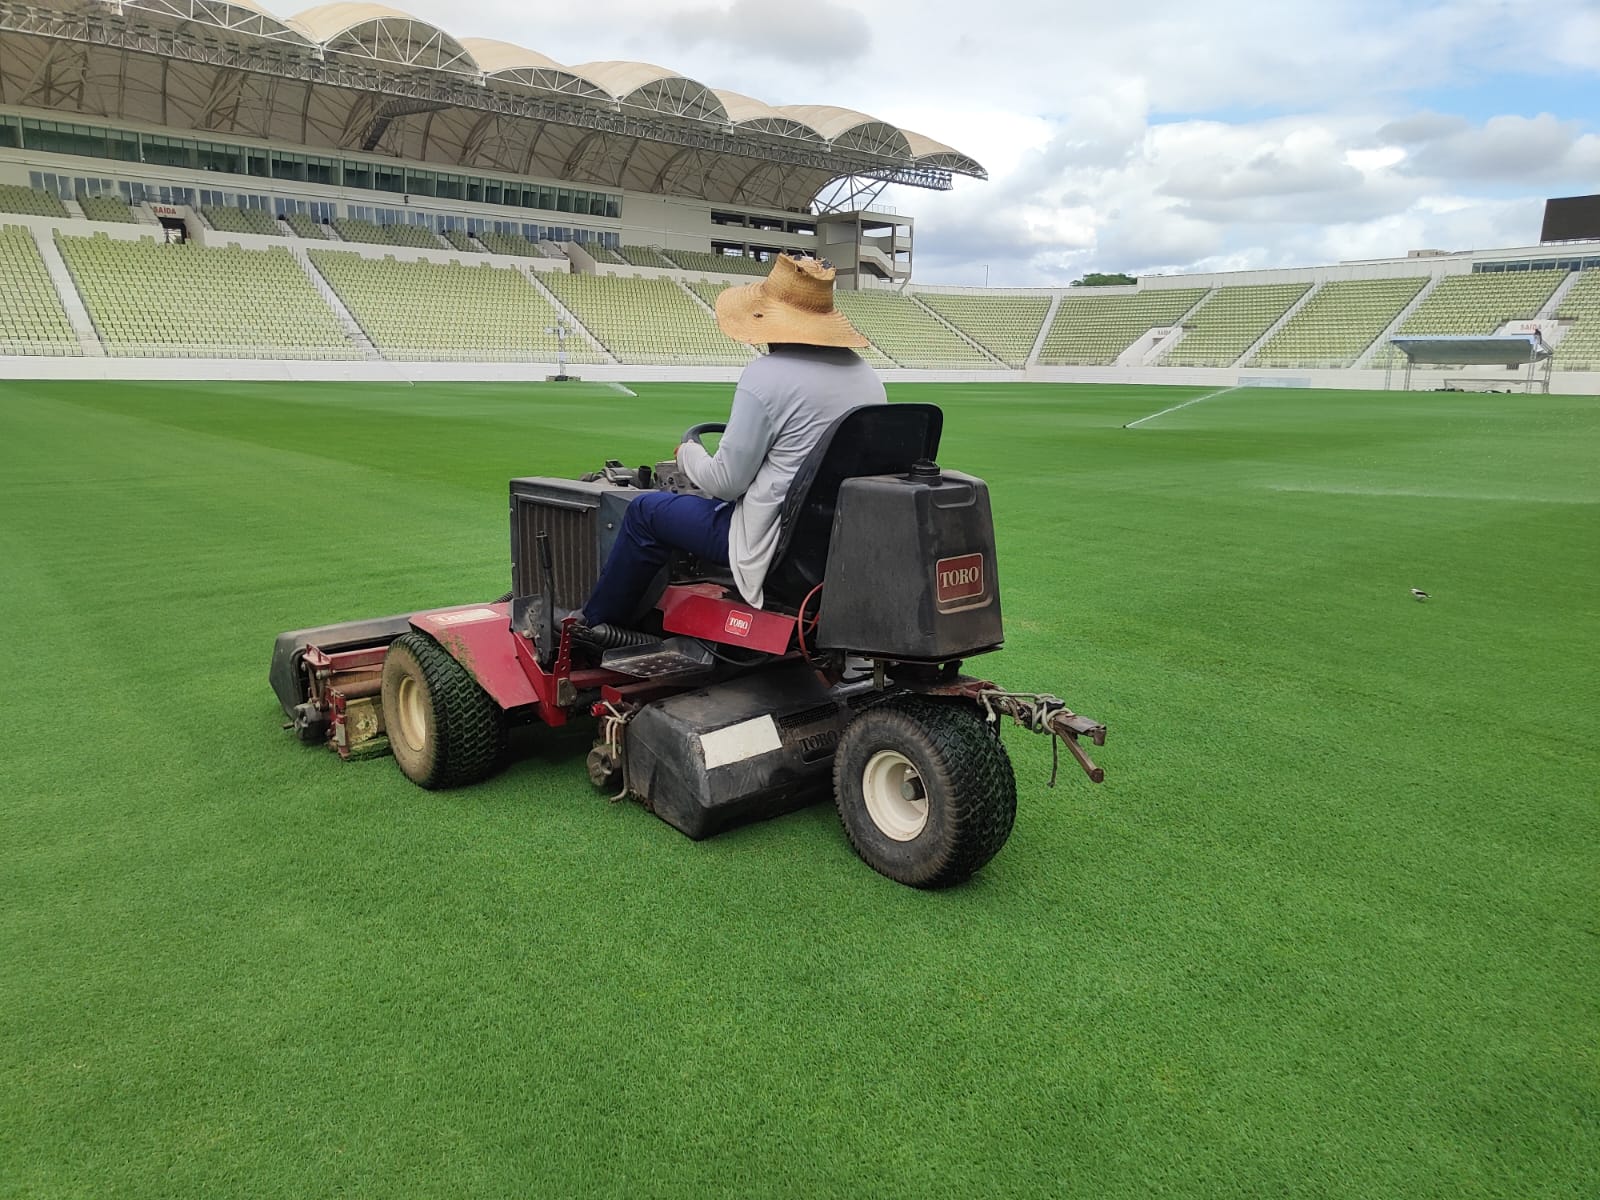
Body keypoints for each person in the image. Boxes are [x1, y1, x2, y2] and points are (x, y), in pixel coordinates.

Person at [578, 254, 887, 630]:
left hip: (771, 539)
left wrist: (688, 454)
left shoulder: (767, 376)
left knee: (645, 512)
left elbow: (726, 484)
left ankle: (595, 626)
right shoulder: (867, 376)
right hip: (833, 538)